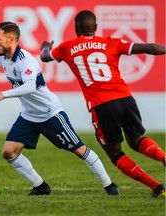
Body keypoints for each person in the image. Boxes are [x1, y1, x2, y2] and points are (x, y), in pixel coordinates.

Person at [0, 21, 119, 196]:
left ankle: (109, 185)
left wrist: (4, 94)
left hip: (50, 114)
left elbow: (30, 86)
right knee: (9, 152)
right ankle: (41, 186)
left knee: (79, 150)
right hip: (29, 116)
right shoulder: (4, 58)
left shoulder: (25, 61)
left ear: (11, 40)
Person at [40, 10, 166, 198]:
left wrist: (45, 47)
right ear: (96, 28)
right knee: (137, 139)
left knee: (115, 153)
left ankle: (158, 187)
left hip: (102, 105)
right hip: (126, 99)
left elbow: (44, 56)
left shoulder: (67, 47)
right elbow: (150, 48)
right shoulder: (111, 42)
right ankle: (164, 157)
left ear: (75, 28)